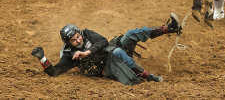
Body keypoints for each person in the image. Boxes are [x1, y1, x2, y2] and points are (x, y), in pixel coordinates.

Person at [31, 13, 182, 85]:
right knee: (117, 52)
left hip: (111, 50)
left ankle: (168, 29)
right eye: (74, 40)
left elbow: (103, 41)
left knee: (129, 35)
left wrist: (87, 52)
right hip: (109, 68)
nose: (78, 40)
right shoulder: (70, 55)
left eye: (77, 36)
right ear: (68, 43)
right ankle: (148, 76)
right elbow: (54, 72)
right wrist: (42, 59)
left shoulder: (87, 33)